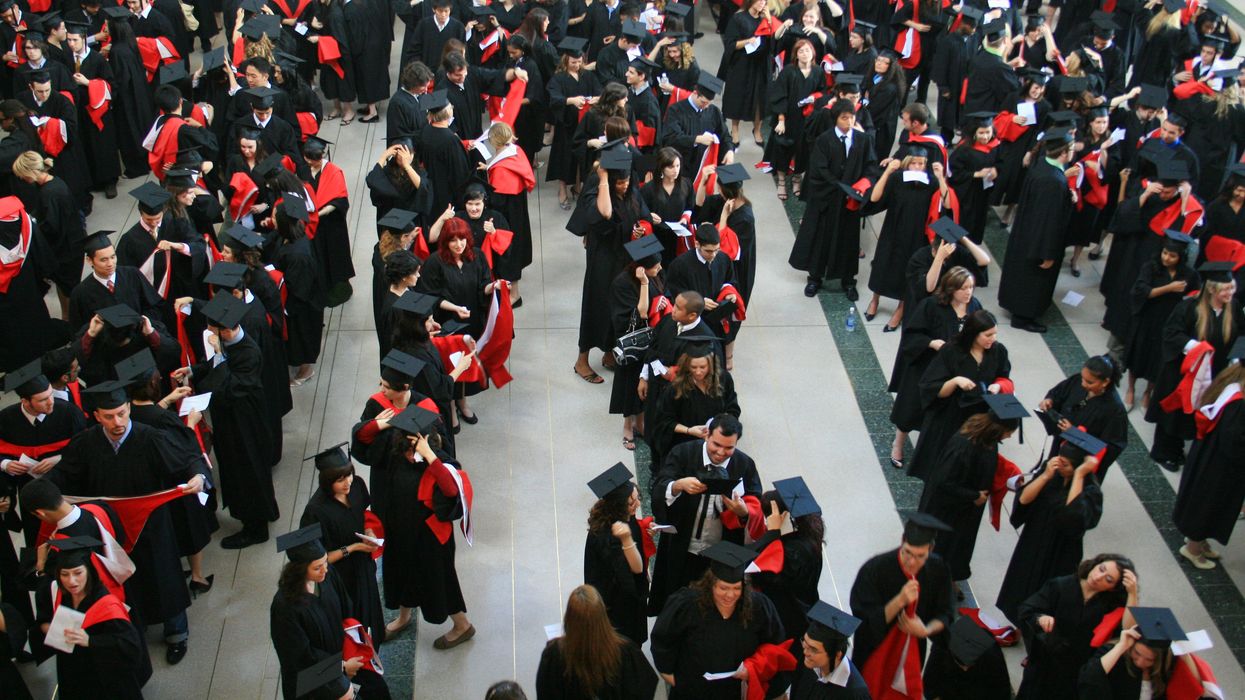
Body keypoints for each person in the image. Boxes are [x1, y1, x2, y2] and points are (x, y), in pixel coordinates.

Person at [47, 380, 208, 665]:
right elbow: (63, 475)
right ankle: (136, 625)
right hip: (109, 529)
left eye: (122, 413)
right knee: (125, 580)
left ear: (129, 408)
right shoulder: (86, 443)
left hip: (151, 524)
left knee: (164, 576)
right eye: (108, 416)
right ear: (96, 416)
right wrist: (45, 494)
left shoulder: (151, 438)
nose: (117, 421)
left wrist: (197, 475)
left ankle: (176, 633)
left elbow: (188, 460)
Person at [171, 292, 280, 549]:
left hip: (245, 427)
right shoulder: (232, 346)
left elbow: (230, 387)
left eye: (212, 328)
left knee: (247, 474)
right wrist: (193, 371)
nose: (209, 332)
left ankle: (255, 527)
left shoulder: (248, 353)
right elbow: (213, 367)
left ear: (226, 331)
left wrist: (219, 356)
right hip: (232, 422)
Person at [368, 407, 475, 648]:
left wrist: (430, 456)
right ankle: (404, 618)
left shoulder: (442, 463)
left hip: (430, 538)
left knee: (440, 581)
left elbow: (449, 489)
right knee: (401, 574)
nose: (409, 451)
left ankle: (462, 625)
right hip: (401, 530)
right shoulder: (397, 456)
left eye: (413, 445)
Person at [649, 414, 762, 614]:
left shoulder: (744, 465)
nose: (720, 453)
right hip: (683, 545)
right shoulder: (683, 453)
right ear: (707, 435)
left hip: (720, 553)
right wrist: (677, 485)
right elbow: (660, 486)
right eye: (716, 444)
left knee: (710, 609)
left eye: (729, 448)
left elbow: (756, 503)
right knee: (676, 602)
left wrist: (743, 512)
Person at [649, 541, 786, 699]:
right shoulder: (686, 604)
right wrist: (671, 678)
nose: (730, 595)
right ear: (710, 584)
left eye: (736, 588)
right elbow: (663, 640)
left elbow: (774, 646)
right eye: (723, 588)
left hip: (736, 691)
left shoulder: (758, 607)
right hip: (691, 692)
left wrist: (755, 667)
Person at [269, 524, 391, 700]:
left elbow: (345, 607)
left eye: (325, 562)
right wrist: (340, 667)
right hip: (313, 675)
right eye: (317, 567)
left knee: (376, 689)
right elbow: (298, 657)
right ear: (300, 570)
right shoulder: (285, 607)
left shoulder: (326, 576)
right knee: (345, 693)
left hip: (344, 653)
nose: (325, 569)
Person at [995, 433, 1107, 622]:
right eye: (1059, 460)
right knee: (1022, 584)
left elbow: (1073, 516)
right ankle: (1018, 622)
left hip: (1061, 550)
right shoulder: (1051, 471)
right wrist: (1045, 475)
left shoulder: (1090, 490)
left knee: (1049, 594)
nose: (1060, 466)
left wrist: (1079, 475)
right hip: (1035, 538)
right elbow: (1023, 499)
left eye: (1066, 464)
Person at [919, 394, 1025, 591]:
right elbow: (944, 482)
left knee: (958, 547)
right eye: (1009, 432)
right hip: (948, 508)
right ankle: (934, 584)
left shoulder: (984, 437)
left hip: (965, 508)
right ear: (998, 428)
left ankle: (948, 579)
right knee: (944, 546)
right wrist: (974, 496)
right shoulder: (964, 446)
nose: (1009, 436)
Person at [1144, 264, 1242, 472]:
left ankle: (1179, 447)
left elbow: (1240, 336)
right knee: (1175, 413)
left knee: (1197, 411)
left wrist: (1236, 360)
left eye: (1232, 288)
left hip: (1215, 372)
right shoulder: (1189, 308)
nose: (1230, 293)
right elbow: (1171, 333)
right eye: (1225, 289)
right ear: (1212, 289)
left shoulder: (1233, 309)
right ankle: (1164, 451)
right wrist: (1197, 348)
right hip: (1184, 371)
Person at [568, 145, 650, 384]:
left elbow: (643, 215)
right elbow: (604, 213)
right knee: (596, 307)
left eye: (626, 181)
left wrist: (642, 228)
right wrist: (603, 178)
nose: (624, 186)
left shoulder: (632, 192)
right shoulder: (597, 195)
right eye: (619, 182)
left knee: (619, 310)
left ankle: (608, 354)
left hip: (626, 259)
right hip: (603, 261)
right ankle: (582, 359)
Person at [848, 513, 954, 695]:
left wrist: (925, 630)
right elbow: (863, 619)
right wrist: (900, 601)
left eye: (920, 556)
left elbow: (945, 613)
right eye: (907, 552)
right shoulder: (876, 569)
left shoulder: (937, 569)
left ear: (931, 548)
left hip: (912, 650)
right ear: (902, 541)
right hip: (875, 651)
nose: (912, 562)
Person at [33, 538, 151, 698]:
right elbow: (43, 609)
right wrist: (48, 628)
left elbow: (130, 646)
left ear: (89, 571)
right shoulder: (60, 592)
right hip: (72, 672)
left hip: (105, 677)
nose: (71, 581)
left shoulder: (106, 605)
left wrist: (91, 641)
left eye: (78, 573)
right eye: (64, 574)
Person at [889, 264, 980, 469]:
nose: (968, 292)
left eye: (971, 287)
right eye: (963, 288)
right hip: (926, 366)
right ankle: (898, 444)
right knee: (911, 408)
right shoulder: (931, 306)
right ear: (951, 289)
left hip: (953, 369)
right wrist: (931, 343)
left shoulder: (975, 307)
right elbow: (912, 334)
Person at [789, 100, 880, 300]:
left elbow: (871, 167)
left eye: (851, 117)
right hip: (827, 201)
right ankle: (815, 278)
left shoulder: (863, 140)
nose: (849, 121)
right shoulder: (824, 140)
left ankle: (848, 281)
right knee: (821, 239)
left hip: (850, 202)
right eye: (844, 117)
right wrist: (840, 187)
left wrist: (861, 186)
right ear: (836, 119)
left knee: (847, 242)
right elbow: (819, 169)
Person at [1015, 554, 1139, 699]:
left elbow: (1128, 628)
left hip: (1075, 671)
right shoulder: (1061, 585)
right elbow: (1027, 610)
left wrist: (1132, 593)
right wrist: (1041, 618)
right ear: (1095, 564)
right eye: (1101, 569)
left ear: (1113, 588)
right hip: (1044, 663)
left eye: (1108, 579)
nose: (1099, 577)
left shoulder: (1109, 603)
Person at [906, 309, 1011, 481]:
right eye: (988, 335)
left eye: (995, 334)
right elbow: (931, 387)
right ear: (974, 334)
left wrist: (998, 386)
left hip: (980, 417)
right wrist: (955, 381)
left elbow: (1003, 376)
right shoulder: (951, 351)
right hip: (950, 415)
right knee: (942, 466)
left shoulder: (998, 351)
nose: (993, 339)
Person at [299, 443, 385, 645]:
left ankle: (375, 643)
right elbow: (316, 557)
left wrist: (368, 531)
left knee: (372, 611)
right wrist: (353, 548)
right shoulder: (315, 511)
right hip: (340, 577)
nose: (347, 483)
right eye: (340, 480)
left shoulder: (357, 486)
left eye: (349, 475)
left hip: (363, 566)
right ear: (327, 482)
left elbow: (363, 514)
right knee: (351, 621)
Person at [998, 128, 1082, 334]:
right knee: (1032, 280)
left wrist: (1066, 196)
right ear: (1063, 153)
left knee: (1021, 275)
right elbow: (1047, 221)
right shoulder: (1052, 180)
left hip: (1027, 233)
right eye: (1070, 149)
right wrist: (1047, 253)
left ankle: (1016, 306)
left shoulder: (1043, 166)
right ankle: (1023, 316)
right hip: (1039, 241)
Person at [0, 360, 88, 547]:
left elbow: (86, 449)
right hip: (30, 492)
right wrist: (5, 464)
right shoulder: (6, 420)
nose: (51, 402)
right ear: (25, 401)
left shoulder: (68, 414)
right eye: (42, 399)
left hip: (66, 489)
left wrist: (59, 458)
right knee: (36, 539)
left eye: (50, 395)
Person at [1172, 351, 1245, 570]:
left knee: (1204, 501)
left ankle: (1199, 541)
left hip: (1209, 456)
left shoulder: (1229, 385)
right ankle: (1193, 548)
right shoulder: (1239, 402)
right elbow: (1234, 440)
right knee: (1209, 504)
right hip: (1221, 466)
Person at [864, 148, 950, 331]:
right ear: (907, 163)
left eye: (921, 164)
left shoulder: (931, 182)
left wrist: (940, 177)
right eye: (914, 163)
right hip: (893, 230)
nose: (918, 167)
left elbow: (948, 203)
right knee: (883, 264)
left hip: (917, 235)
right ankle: (875, 299)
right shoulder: (897, 179)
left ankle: (901, 308)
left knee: (909, 271)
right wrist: (888, 171)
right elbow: (875, 197)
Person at [535, 584, 658, 699]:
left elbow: (545, 694)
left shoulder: (554, 655)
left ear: (569, 619)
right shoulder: (626, 653)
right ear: (603, 617)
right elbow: (646, 689)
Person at [1122, 231, 1200, 411]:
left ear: (1180, 257)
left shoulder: (1188, 273)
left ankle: (1149, 392)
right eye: (1165, 253)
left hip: (1170, 321)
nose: (1167, 258)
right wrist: (1169, 288)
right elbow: (1142, 291)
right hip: (1147, 317)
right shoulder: (1151, 267)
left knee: (1159, 358)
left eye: (1172, 255)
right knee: (1138, 353)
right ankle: (1131, 389)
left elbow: (1196, 294)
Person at [749, 478, 824, 654]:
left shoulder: (787, 552)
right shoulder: (811, 535)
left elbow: (758, 573)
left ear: (781, 517)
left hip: (787, 613)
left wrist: (772, 533)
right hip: (807, 604)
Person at [1078, 608, 1218, 698]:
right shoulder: (1113, 653)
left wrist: (1183, 652)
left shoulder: (1166, 665)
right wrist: (1121, 646)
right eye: (1137, 654)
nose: (1140, 662)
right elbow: (1089, 677)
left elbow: (1196, 686)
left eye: (1149, 660)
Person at [583, 463, 649, 644]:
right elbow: (636, 569)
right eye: (631, 502)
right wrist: (628, 540)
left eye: (637, 497)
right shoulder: (606, 536)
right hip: (616, 602)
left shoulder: (625, 517)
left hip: (627, 594)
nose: (637, 504)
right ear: (617, 506)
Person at [610, 236, 664, 450]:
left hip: (652, 339)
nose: (660, 268)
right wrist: (643, 283)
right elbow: (640, 313)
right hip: (633, 342)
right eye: (656, 266)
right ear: (641, 268)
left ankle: (641, 422)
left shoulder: (657, 275)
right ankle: (627, 426)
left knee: (648, 383)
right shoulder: (622, 283)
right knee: (630, 384)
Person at [11, 151, 81, 317]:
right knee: (64, 287)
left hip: (66, 250)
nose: (23, 179)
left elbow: (51, 227)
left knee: (68, 289)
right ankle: (66, 316)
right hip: (72, 243)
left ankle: (69, 319)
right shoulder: (55, 184)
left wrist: (31, 228)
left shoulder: (49, 194)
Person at [1038, 356, 1129, 478]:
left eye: (1090, 382)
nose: (1083, 384)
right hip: (1060, 448)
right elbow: (1058, 393)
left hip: (1080, 463)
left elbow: (1112, 447)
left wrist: (1075, 434)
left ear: (1106, 382)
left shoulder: (1115, 410)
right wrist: (1050, 400)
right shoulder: (1077, 381)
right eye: (1083, 378)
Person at [650, 344, 741, 461]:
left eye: (703, 367)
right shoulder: (676, 388)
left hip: (716, 441)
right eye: (694, 367)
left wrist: (720, 426)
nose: (698, 372)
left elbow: (732, 407)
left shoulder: (724, 379)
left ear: (711, 364)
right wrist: (689, 430)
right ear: (687, 365)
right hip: (685, 445)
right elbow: (664, 421)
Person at [272, 197, 326, 386]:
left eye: (274, 216)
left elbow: (299, 288)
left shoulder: (298, 254)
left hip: (302, 304)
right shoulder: (291, 237)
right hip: (299, 297)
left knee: (303, 338)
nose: (272, 218)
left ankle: (305, 370)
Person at [763, 38, 823, 201]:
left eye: (808, 50)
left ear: (813, 53)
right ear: (796, 54)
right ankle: (782, 181)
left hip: (808, 120)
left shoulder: (818, 72)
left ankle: (797, 179)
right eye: (801, 51)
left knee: (803, 151)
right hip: (788, 118)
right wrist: (781, 120)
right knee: (783, 149)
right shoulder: (789, 71)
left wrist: (815, 98)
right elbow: (780, 96)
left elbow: (823, 92)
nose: (805, 54)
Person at [546, 37, 601, 209]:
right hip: (567, 126)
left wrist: (594, 100)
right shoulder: (559, 78)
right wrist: (570, 100)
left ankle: (578, 187)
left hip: (585, 125)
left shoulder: (588, 76)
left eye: (579, 61)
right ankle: (562, 190)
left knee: (583, 158)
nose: (576, 65)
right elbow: (554, 98)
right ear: (566, 60)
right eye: (573, 62)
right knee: (565, 159)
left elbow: (600, 93)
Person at [303, 136, 354, 300]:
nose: (312, 163)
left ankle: (339, 288)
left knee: (334, 256)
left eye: (315, 160)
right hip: (313, 224)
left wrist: (320, 212)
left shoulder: (333, 172)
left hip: (331, 224)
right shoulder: (303, 170)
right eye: (309, 159)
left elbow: (340, 200)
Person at [787, 601, 871, 699]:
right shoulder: (808, 662)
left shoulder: (855, 694)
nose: (806, 652)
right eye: (805, 642)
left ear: (837, 655)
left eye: (814, 649)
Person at [719, 0, 774, 146]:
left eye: (765, 1)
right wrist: (748, 41)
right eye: (760, 0)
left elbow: (774, 42)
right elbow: (730, 44)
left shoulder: (767, 19)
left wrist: (769, 20)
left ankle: (757, 130)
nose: (763, 3)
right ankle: (735, 130)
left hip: (761, 64)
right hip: (742, 62)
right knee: (737, 96)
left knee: (760, 99)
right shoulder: (738, 18)